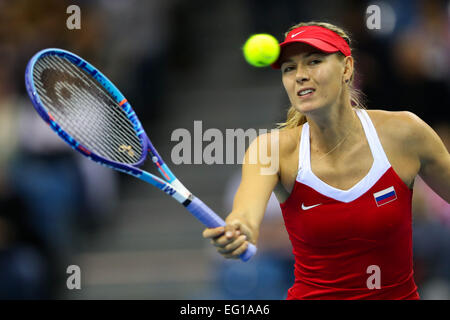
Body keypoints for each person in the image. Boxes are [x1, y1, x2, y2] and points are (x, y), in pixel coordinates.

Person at [202, 21, 450, 300]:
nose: (300, 76)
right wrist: (239, 229)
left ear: (347, 68)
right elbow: (245, 214)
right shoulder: (271, 150)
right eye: (289, 68)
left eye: (314, 61)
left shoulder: (405, 132)